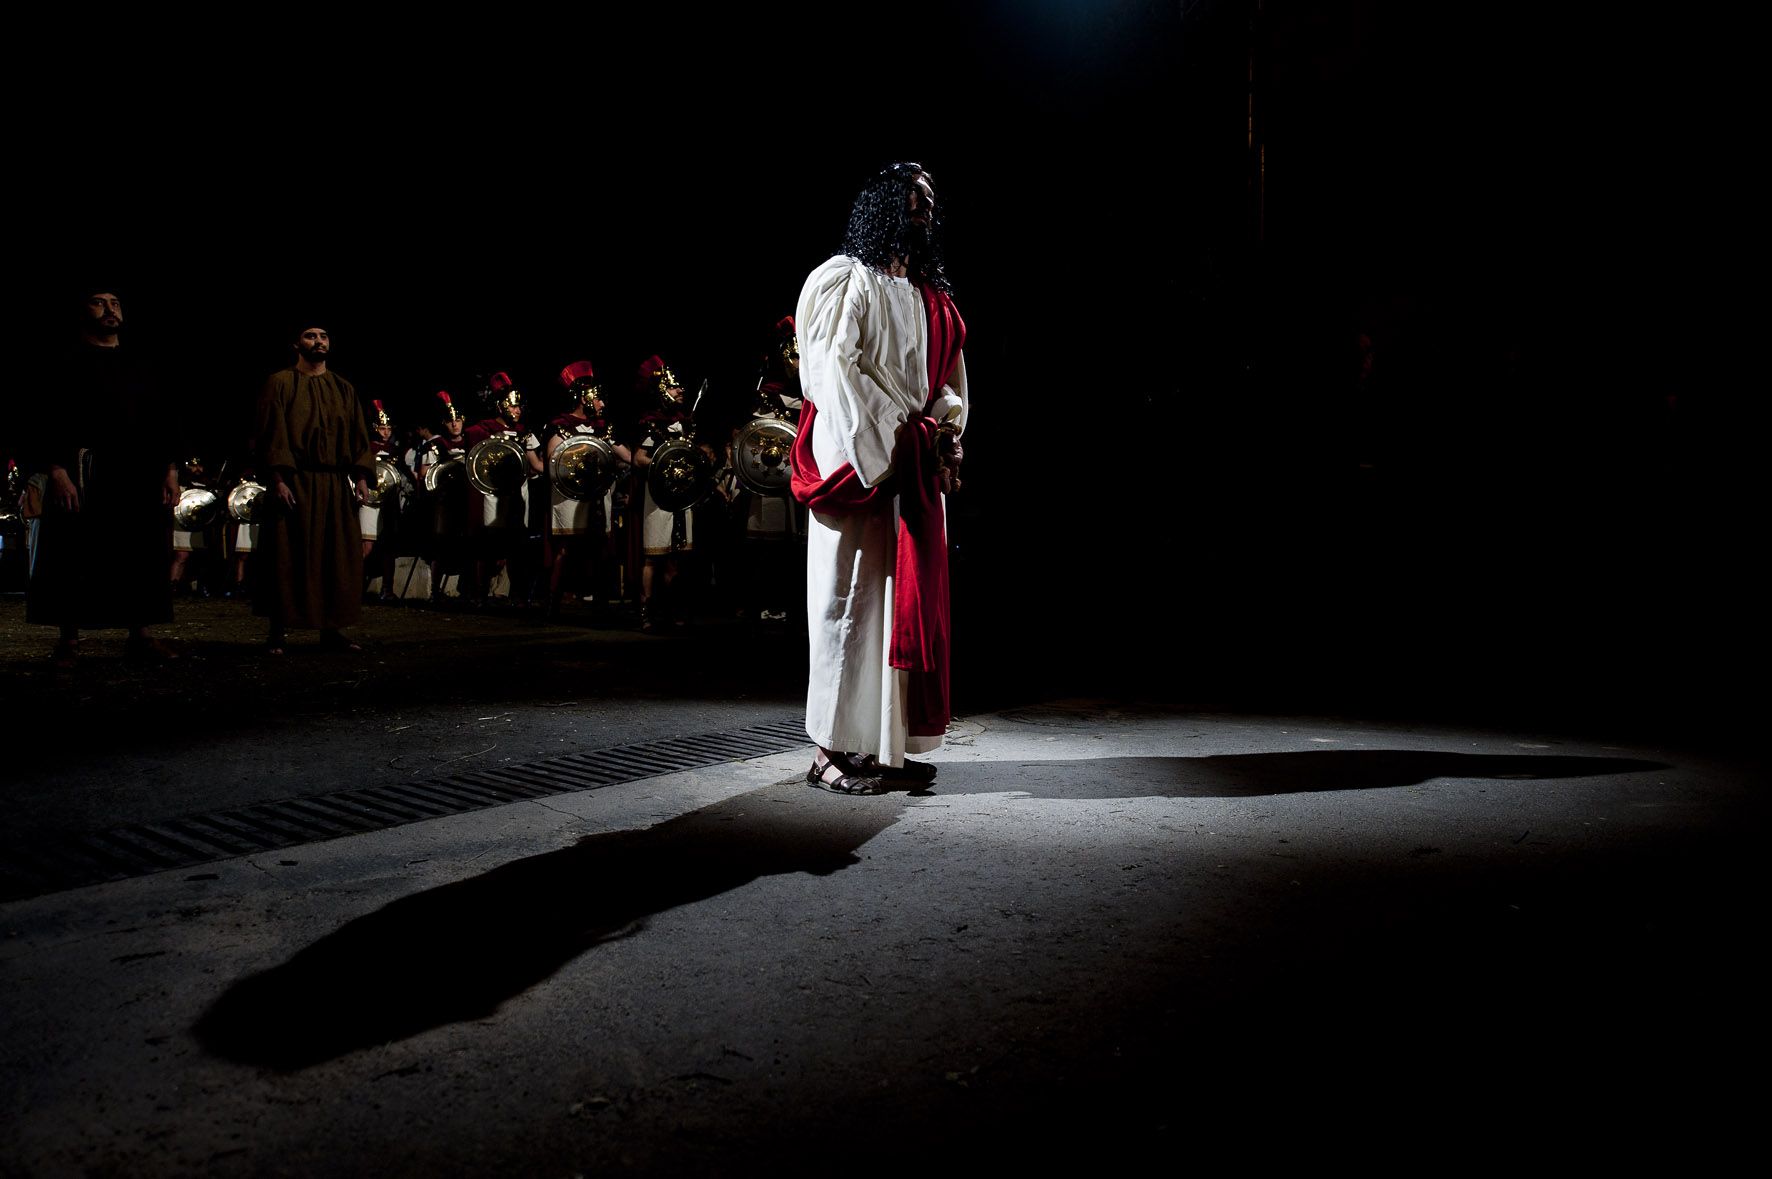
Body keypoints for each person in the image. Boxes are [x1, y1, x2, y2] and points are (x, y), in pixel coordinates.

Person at [792, 163, 969, 794]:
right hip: (862, 466)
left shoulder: (934, 300)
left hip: (910, 465)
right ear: (884, 207)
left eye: (930, 202)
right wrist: (896, 442)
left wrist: (944, 434)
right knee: (850, 606)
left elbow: (949, 384)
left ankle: (887, 748)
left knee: (899, 609)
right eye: (912, 199)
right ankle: (832, 752)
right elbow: (833, 374)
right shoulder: (845, 281)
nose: (923, 210)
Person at [25, 287, 182, 667]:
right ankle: (70, 640)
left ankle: (141, 635)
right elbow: (44, 418)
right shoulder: (64, 361)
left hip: (139, 471)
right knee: (75, 550)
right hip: (85, 471)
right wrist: (58, 470)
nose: (110, 309)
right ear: (83, 310)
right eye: (99, 302)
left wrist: (170, 468)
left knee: (140, 550)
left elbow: (162, 418)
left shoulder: (142, 363)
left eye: (115, 303)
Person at [252, 323, 374, 655]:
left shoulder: (343, 387)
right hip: (296, 481)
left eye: (323, 337)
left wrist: (361, 477)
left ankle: (331, 629)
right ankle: (277, 630)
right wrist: (278, 478)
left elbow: (358, 436)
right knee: (289, 553)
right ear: (296, 344)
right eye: (310, 336)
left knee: (335, 554)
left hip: (335, 484)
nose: (318, 341)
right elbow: (271, 432)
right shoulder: (280, 383)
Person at [542, 360, 632, 621]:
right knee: (566, 549)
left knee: (600, 551)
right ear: (584, 398)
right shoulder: (560, 425)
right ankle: (552, 604)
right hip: (568, 498)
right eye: (598, 399)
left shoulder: (602, 428)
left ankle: (601, 607)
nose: (602, 404)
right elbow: (553, 464)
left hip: (598, 498)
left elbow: (625, 454)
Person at [629, 355, 700, 632]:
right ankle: (646, 611)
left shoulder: (685, 423)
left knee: (678, 558)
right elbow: (639, 459)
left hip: (684, 497)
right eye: (675, 387)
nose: (681, 390)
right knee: (654, 556)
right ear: (662, 389)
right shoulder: (652, 422)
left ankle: (674, 609)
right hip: (658, 497)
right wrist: (665, 461)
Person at [463, 372, 545, 608]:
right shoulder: (484, 430)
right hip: (492, 496)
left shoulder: (524, 432)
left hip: (518, 496)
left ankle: (516, 595)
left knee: (516, 546)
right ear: (501, 406)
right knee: (487, 544)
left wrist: (556, 470)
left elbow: (536, 464)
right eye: (514, 405)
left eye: (520, 406)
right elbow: (476, 462)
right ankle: (479, 593)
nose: (518, 410)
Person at [359, 399, 408, 602]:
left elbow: (404, 475)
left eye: (389, 428)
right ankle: (356, 587)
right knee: (366, 545)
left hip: (389, 501)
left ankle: (387, 589)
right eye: (382, 427)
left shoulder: (397, 450)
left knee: (388, 547)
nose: (386, 432)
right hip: (369, 501)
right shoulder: (366, 448)